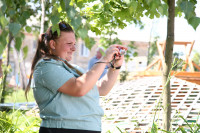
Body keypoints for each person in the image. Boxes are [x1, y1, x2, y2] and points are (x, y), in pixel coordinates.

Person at [25, 21, 127, 133]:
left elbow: (101, 88)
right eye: (69, 44)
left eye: (74, 44)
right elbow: (79, 88)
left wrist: (115, 67)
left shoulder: (72, 68)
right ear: (53, 44)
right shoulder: (46, 67)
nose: (74, 49)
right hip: (61, 129)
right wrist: (104, 59)